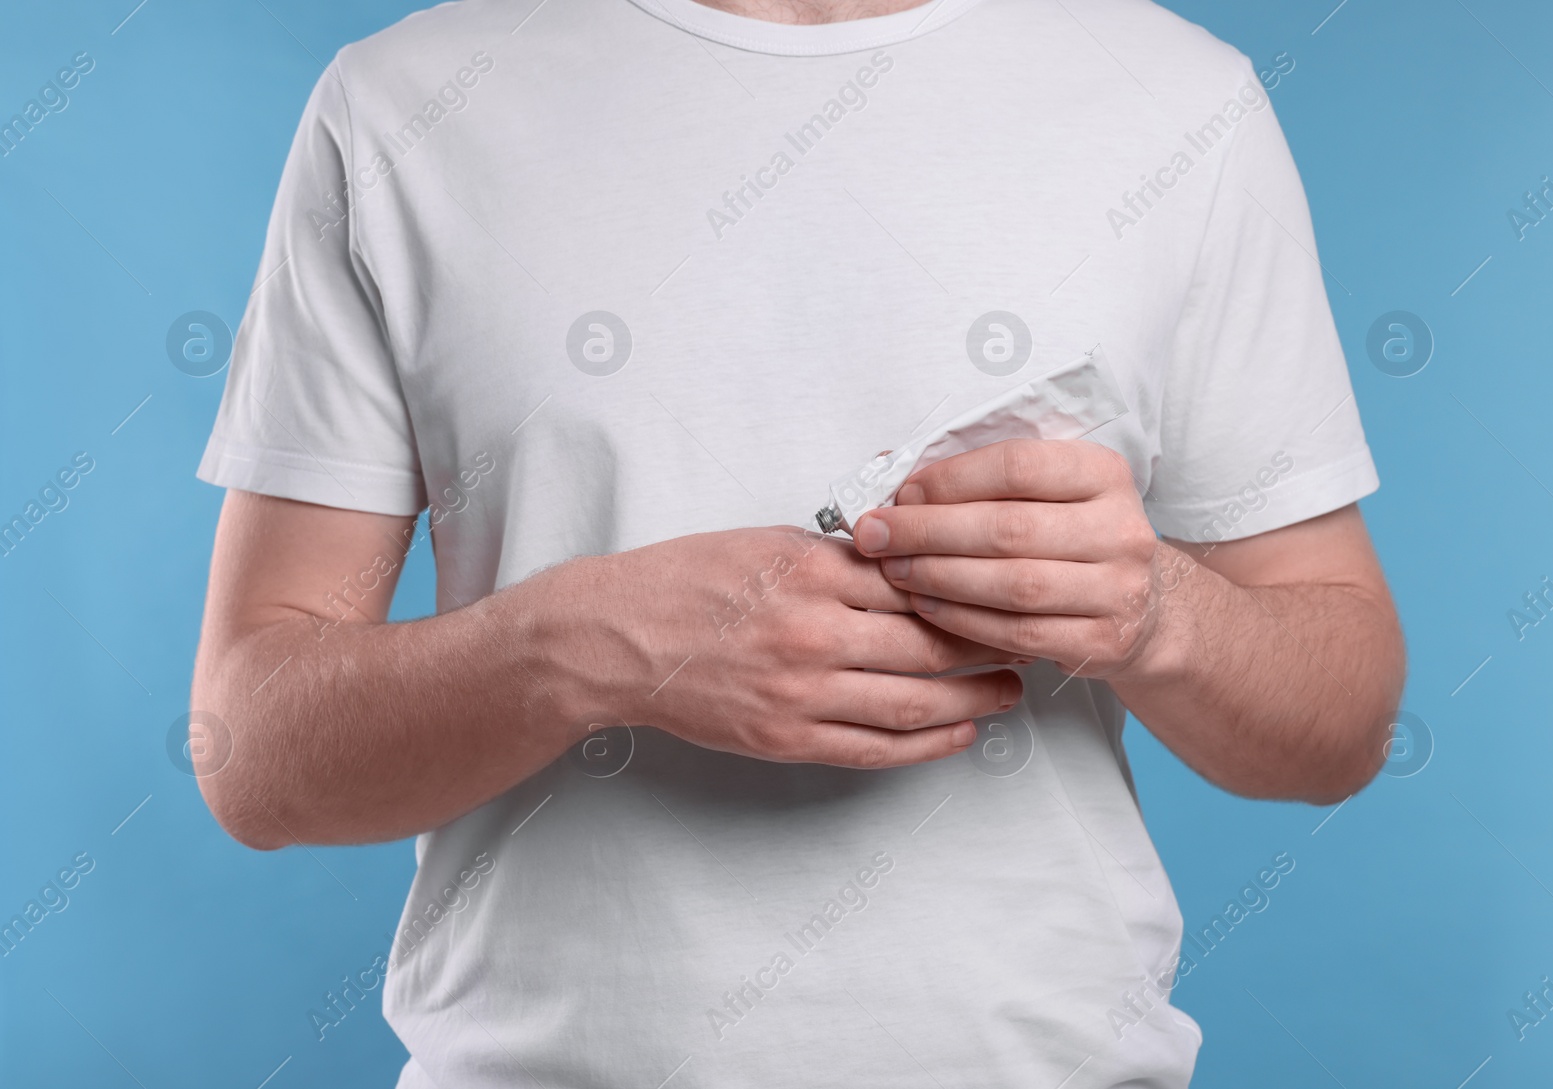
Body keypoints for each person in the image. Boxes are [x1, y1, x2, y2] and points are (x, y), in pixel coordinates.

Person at [189, 0, 1405, 1084]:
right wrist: (582, 647)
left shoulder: (1179, 101)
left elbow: (1338, 730)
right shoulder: (402, 101)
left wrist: (1159, 617)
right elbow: (251, 756)